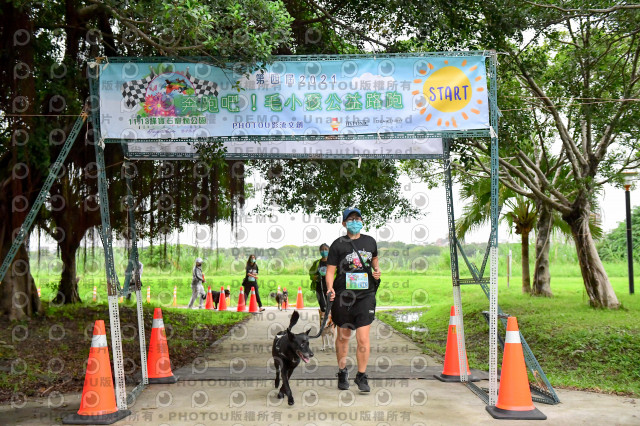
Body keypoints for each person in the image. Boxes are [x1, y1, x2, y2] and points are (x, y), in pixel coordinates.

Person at [326, 207, 381, 393]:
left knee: (363, 338)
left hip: (365, 296)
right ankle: (342, 372)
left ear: (362, 222)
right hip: (344, 296)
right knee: (343, 336)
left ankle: (362, 376)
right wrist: (330, 288)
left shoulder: (370, 241)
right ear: (344, 223)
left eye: (358, 218)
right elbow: (330, 271)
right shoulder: (337, 245)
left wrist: (377, 272)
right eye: (350, 219)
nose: (355, 221)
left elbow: (374, 263)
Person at [309, 243, 330, 313]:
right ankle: (323, 322)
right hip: (319, 288)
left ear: (329, 251)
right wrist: (314, 277)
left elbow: (337, 273)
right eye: (322, 250)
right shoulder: (317, 263)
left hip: (330, 288)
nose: (324, 251)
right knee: (323, 307)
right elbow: (311, 273)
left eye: (326, 249)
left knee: (331, 307)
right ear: (319, 251)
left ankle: (331, 322)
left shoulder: (332, 262)